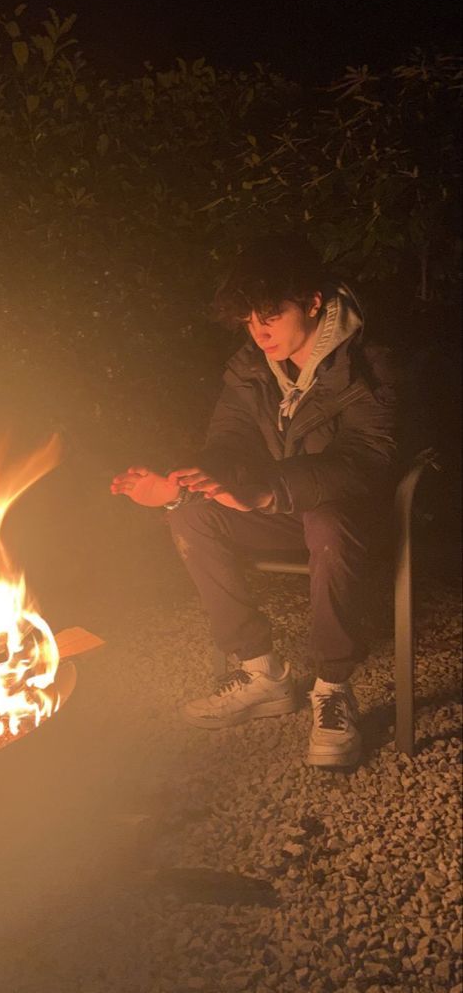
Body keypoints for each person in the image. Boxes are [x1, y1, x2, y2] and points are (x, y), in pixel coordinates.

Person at [110, 233, 396, 768]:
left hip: (355, 516)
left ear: (313, 302)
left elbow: (366, 458)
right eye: (247, 317)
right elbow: (228, 442)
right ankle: (263, 674)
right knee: (192, 515)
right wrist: (184, 487)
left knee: (328, 524)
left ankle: (333, 690)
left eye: (271, 314)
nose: (258, 330)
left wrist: (269, 489)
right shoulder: (252, 365)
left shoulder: (367, 362)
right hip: (282, 507)